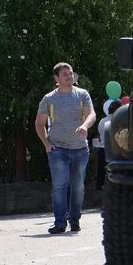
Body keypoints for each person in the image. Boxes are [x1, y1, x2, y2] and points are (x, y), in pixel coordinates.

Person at [35, 62, 96, 234]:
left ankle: (74, 220)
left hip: (80, 149)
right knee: (59, 186)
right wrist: (47, 144)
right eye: (64, 74)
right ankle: (60, 223)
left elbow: (91, 114)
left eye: (70, 73)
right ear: (56, 78)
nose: (69, 76)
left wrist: (84, 126)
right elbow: (39, 124)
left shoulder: (82, 94)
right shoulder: (49, 99)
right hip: (58, 150)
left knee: (78, 187)